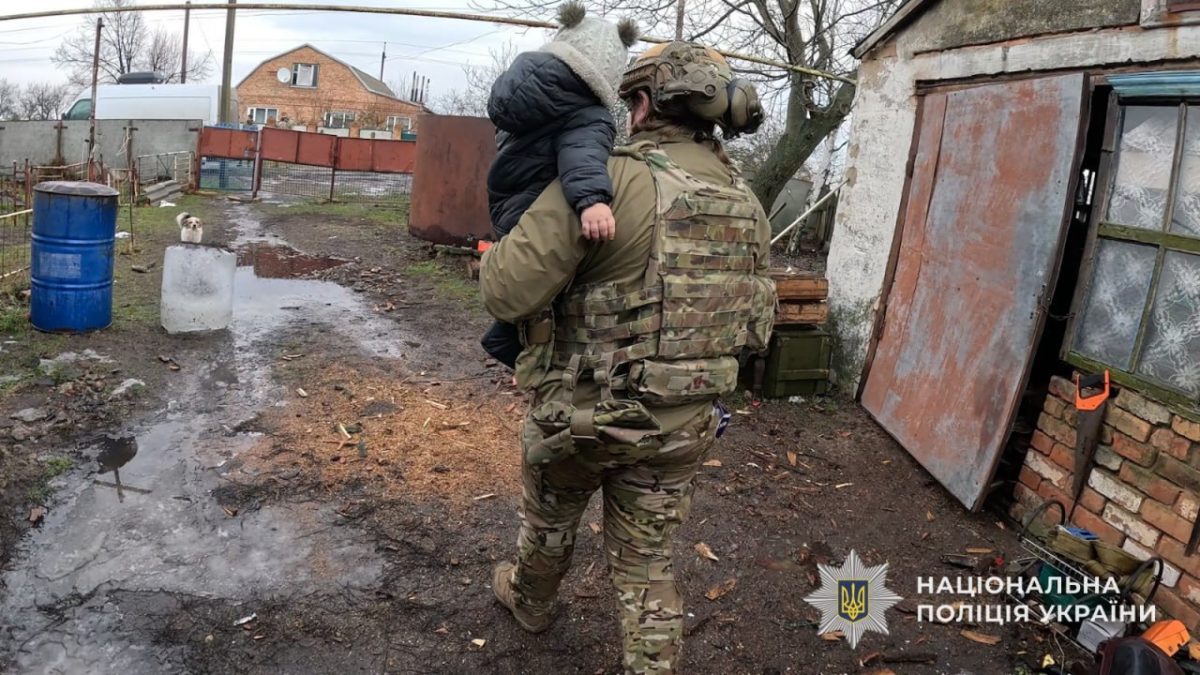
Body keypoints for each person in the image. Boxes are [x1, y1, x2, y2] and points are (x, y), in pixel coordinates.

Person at [479, 41, 774, 675]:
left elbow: (507, 290)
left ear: (641, 105)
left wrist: (491, 254)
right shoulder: (745, 201)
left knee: (550, 525)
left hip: (582, 419)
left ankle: (530, 605)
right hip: (685, 421)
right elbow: (753, 323)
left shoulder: (609, 179)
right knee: (647, 561)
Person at [480, 1, 638, 369]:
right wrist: (593, 201)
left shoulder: (521, 90)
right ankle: (513, 341)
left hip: (506, 197)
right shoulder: (588, 114)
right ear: (608, 72)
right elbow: (582, 155)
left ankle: (511, 330)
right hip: (535, 202)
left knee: (525, 269)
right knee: (556, 280)